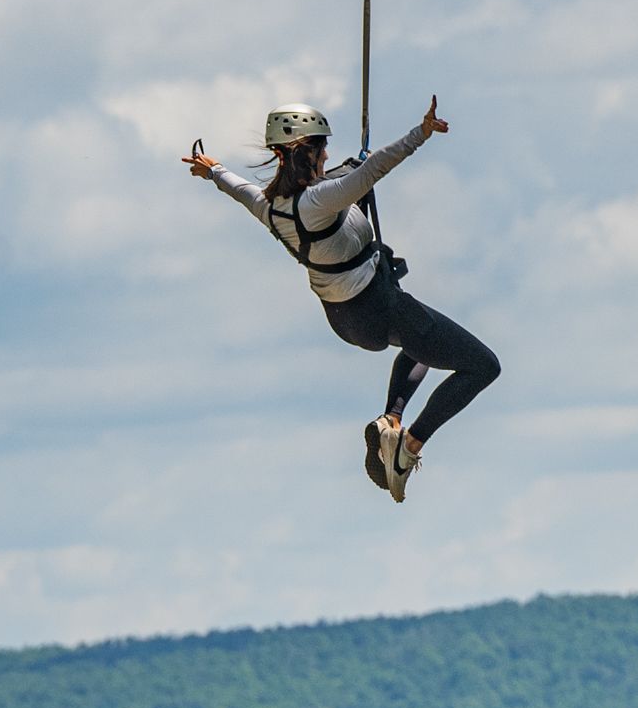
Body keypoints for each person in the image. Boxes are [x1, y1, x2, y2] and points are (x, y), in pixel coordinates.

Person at [183, 99, 499, 502]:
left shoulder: (271, 207)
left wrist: (212, 170)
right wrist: (420, 133)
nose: (327, 155)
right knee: (482, 366)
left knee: (423, 339)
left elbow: (237, 187)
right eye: (322, 148)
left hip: (347, 320)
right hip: (378, 307)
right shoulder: (320, 201)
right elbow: (375, 169)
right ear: (306, 152)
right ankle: (407, 448)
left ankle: (391, 421)